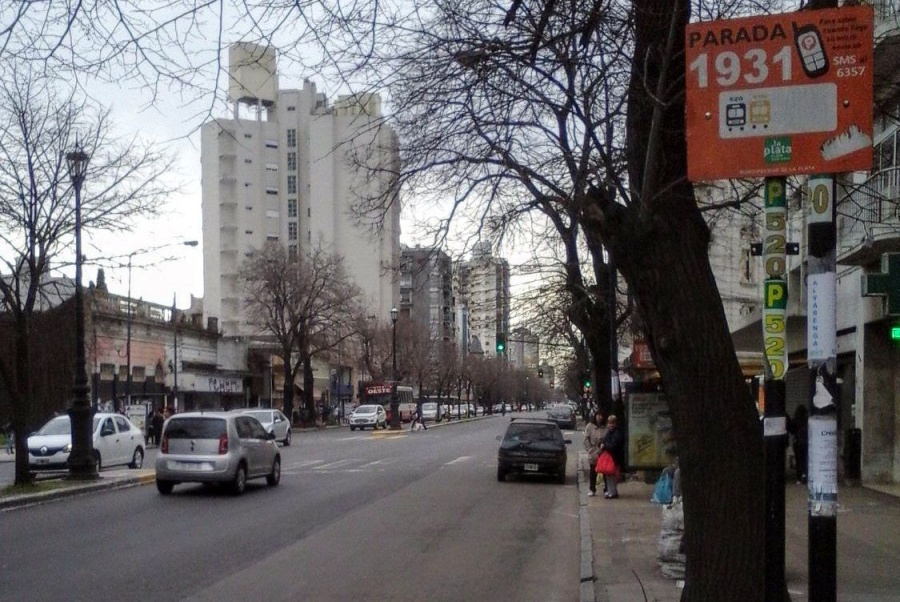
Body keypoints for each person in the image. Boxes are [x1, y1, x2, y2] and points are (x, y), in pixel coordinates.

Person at [599, 414, 625, 499]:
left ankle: (613, 492)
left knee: (612, 475)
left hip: (615, 457)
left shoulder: (617, 433)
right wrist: (602, 444)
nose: (611, 425)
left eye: (612, 423)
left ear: (616, 423)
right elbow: (606, 441)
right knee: (608, 475)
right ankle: (610, 491)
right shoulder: (610, 432)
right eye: (609, 423)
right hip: (610, 457)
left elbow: (614, 445)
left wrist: (604, 446)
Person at [584, 411, 607, 497]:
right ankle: (592, 489)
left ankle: (606, 489)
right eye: (598, 415)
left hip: (603, 451)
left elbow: (607, 437)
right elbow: (586, 439)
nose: (600, 417)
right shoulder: (590, 426)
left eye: (601, 416)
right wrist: (590, 449)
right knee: (593, 471)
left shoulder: (605, 427)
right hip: (593, 451)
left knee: (605, 471)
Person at [788, 405, 809, 483]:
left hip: (797, 442)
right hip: (806, 443)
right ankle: (805, 475)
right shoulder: (808, 421)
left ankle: (799, 477)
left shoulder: (795, 420)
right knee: (805, 460)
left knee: (798, 460)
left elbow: (792, 430)